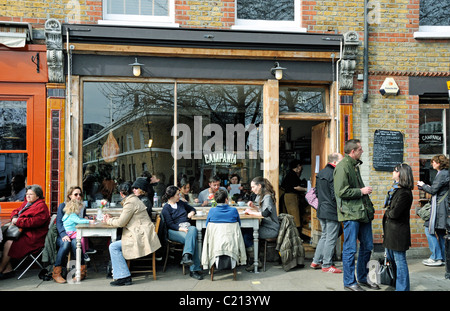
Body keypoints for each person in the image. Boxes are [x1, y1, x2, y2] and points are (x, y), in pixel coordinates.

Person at [333, 139, 377, 291]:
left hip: (362, 213)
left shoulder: (354, 165)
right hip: (350, 214)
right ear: (352, 152)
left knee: (367, 246)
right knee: (350, 249)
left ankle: (363, 278)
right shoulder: (343, 167)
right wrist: (361, 191)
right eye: (360, 149)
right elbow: (340, 191)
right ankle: (349, 282)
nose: (362, 152)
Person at [103, 182, 161, 286]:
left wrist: (108, 221)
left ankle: (124, 276)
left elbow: (121, 223)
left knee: (113, 247)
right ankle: (122, 274)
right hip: (141, 234)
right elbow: (124, 219)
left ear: (121, 194)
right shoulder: (134, 200)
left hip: (140, 237)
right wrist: (111, 219)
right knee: (115, 245)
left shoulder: (130, 203)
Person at [0, 184, 50, 279]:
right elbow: (15, 211)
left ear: (38, 196)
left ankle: (1, 268)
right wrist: (14, 217)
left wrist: (18, 221)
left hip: (34, 237)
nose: (28, 196)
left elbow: (34, 222)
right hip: (24, 233)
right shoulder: (27, 203)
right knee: (4, 240)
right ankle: (8, 269)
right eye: (27, 194)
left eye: (31, 194)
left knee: (9, 243)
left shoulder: (41, 207)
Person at [382, 163, 414, 291]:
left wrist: (387, 212)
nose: (392, 173)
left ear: (400, 174)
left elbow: (395, 213)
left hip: (398, 233)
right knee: (393, 261)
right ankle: (396, 284)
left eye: (395, 171)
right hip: (391, 232)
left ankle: (402, 288)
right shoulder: (396, 190)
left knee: (400, 262)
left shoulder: (404, 193)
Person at [161, 185, 203, 280]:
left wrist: (191, 213)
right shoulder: (166, 208)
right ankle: (193, 270)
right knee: (193, 239)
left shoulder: (181, 203)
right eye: (177, 195)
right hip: (174, 231)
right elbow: (170, 224)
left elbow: (192, 209)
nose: (179, 196)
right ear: (171, 196)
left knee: (193, 230)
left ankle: (186, 256)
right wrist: (181, 229)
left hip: (187, 229)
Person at [311, 153, 344, 273]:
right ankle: (326, 264)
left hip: (321, 209)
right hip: (331, 210)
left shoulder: (321, 173)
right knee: (331, 237)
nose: (343, 162)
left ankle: (315, 261)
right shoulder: (334, 173)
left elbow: (317, 193)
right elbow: (334, 194)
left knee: (324, 235)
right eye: (341, 160)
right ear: (335, 162)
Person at [53, 186, 92, 283]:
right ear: (70, 196)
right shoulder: (63, 205)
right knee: (65, 244)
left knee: (76, 244)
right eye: (75, 194)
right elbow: (59, 222)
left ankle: (81, 272)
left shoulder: (82, 206)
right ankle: (57, 273)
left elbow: (82, 219)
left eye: (80, 194)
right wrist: (63, 234)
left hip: (76, 234)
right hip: (64, 234)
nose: (78, 196)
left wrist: (86, 218)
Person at [417, 154, 449, 267]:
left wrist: (423, 185)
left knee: (428, 229)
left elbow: (433, 190)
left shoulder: (442, 174)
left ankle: (436, 257)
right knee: (440, 233)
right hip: (442, 208)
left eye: (434, 162)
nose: (432, 164)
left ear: (439, 163)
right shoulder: (445, 173)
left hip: (439, 209)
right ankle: (444, 258)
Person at [243, 177, 280, 271]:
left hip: (271, 229)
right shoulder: (262, 195)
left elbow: (266, 213)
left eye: (253, 187)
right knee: (246, 232)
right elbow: (263, 211)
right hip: (266, 226)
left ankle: (255, 261)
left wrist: (251, 212)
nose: (252, 189)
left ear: (259, 186)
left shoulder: (267, 196)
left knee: (247, 234)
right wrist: (254, 207)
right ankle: (254, 259)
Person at [281, 159, 308, 229]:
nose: (301, 168)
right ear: (298, 166)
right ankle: (296, 234)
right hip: (291, 197)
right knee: (295, 217)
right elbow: (296, 187)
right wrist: (307, 189)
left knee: (291, 216)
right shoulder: (292, 175)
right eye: (300, 166)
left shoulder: (290, 174)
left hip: (287, 196)